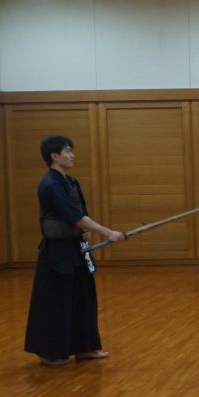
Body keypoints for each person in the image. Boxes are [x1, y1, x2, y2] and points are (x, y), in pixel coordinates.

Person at [23, 135, 126, 366]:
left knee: (84, 295)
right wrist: (109, 232)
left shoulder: (71, 182)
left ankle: (85, 347)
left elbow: (82, 215)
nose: (72, 155)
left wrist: (86, 232)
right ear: (54, 156)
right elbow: (74, 216)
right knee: (57, 300)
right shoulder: (50, 185)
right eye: (67, 151)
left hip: (78, 247)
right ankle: (51, 352)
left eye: (71, 150)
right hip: (58, 251)